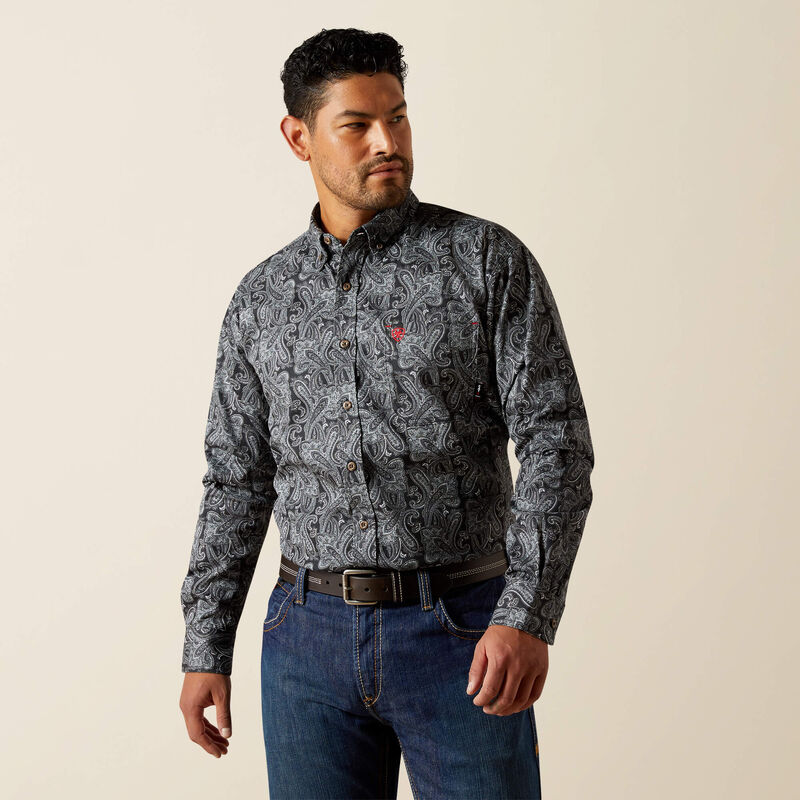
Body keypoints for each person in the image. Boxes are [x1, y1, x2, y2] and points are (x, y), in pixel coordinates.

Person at [179, 27, 594, 799]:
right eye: (358, 125)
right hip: (305, 644)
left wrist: (526, 614)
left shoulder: (485, 261)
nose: (387, 142)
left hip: (466, 633)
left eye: (397, 117)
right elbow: (236, 481)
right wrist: (206, 644)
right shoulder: (261, 300)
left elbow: (556, 446)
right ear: (298, 137)